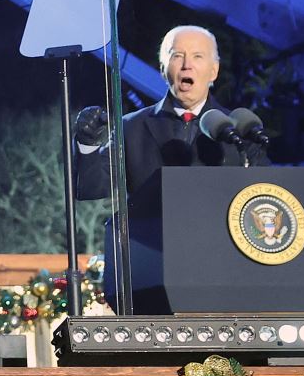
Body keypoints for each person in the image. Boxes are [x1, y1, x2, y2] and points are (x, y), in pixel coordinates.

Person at [73, 25, 253, 308]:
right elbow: (91, 186)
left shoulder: (240, 129)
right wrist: (86, 144)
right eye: (177, 55)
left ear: (214, 71)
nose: (186, 64)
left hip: (228, 274)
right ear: (163, 67)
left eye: (197, 56)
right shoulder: (131, 127)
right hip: (154, 274)